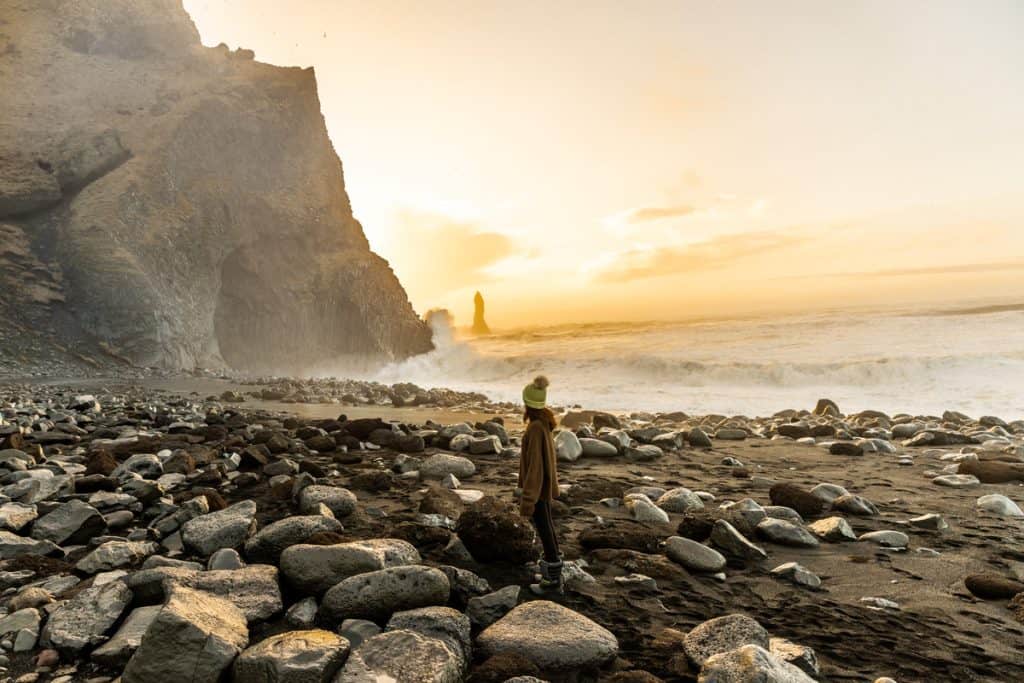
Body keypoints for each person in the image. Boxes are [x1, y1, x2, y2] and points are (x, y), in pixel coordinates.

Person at [518, 374, 562, 594]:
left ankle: (552, 581)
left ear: (527, 403)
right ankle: (552, 572)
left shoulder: (535, 427)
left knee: (545, 530)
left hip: (538, 489)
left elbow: (535, 466)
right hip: (543, 488)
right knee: (548, 528)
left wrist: (528, 499)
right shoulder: (544, 423)